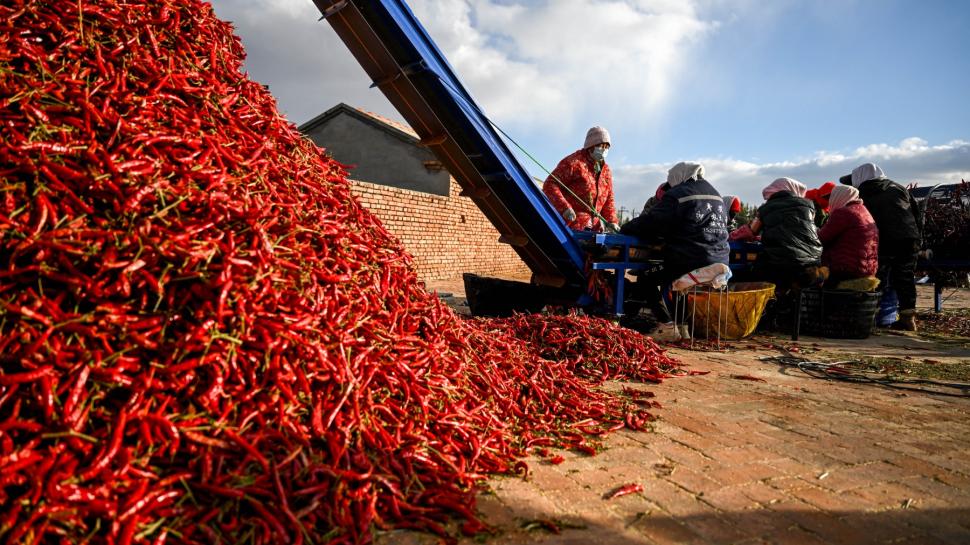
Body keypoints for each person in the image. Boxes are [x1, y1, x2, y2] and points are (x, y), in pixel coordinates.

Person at [621, 162, 729, 325]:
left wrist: (627, 227)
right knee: (670, 274)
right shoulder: (715, 194)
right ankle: (682, 324)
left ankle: (667, 324)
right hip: (720, 259)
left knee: (646, 276)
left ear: (678, 177)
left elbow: (653, 221)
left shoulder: (680, 194)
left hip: (689, 260)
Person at [839, 163, 921, 330]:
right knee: (904, 277)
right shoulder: (898, 188)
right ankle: (908, 318)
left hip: (883, 239)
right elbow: (916, 213)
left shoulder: (863, 192)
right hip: (909, 238)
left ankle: (871, 316)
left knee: (879, 277)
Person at [749, 177, 825, 294]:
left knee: (753, 272)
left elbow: (751, 231)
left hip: (779, 265)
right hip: (812, 265)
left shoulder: (765, 208)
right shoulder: (809, 206)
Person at [543, 126, 619, 232]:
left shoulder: (605, 171)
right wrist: (565, 208)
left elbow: (609, 199)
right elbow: (550, 184)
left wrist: (612, 221)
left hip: (595, 228)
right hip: (571, 226)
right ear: (591, 145)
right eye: (601, 146)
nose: (604, 150)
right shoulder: (574, 163)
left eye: (607, 147)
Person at [818, 185, 879, 287]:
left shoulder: (843, 212)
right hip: (868, 268)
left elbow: (822, 238)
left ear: (838, 196)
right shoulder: (863, 211)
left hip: (846, 269)